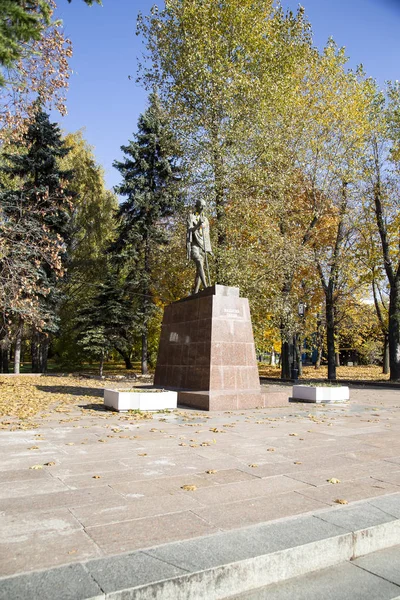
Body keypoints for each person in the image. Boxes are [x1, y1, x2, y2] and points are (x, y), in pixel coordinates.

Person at [186, 199, 212, 294]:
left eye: (204, 206)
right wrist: (198, 225)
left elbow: (206, 234)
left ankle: (195, 292)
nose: (203, 208)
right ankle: (206, 287)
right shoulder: (191, 217)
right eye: (201, 206)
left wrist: (209, 249)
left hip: (202, 245)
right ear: (197, 206)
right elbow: (190, 230)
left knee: (199, 271)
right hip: (194, 245)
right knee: (199, 262)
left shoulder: (205, 219)